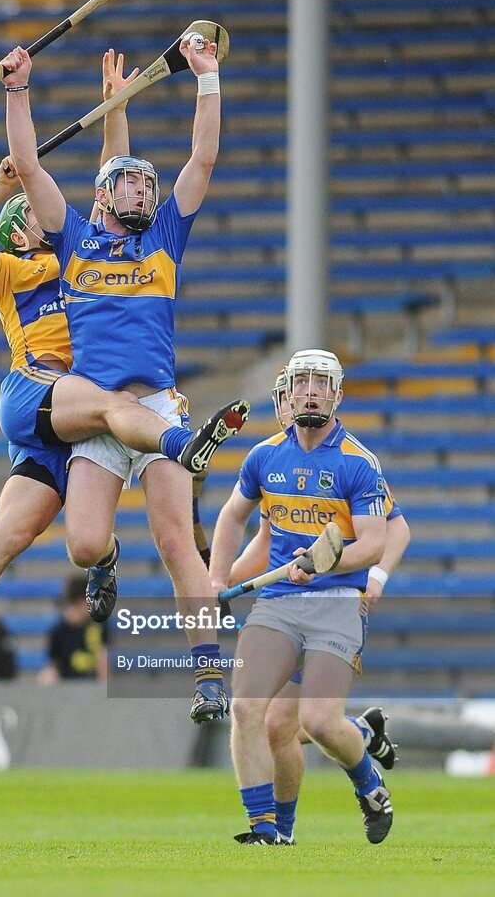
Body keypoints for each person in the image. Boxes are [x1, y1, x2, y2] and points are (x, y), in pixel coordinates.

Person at [0, 52, 245, 664]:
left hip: (84, 414)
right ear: (19, 230)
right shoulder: (18, 269)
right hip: (51, 397)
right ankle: (178, 449)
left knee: (27, 536)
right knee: (115, 408)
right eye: (33, 213)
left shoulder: (85, 252)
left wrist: (118, 104)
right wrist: (9, 165)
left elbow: (116, 180)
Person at [0, 35, 249, 723]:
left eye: (149, 182)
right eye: (133, 180)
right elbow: (25, 164)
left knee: (175, 543)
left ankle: (207, 679)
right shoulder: (74, 239)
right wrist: (18, 88)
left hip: (160, 407)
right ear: (105, 190)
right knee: (82, 545)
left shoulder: (165, 237)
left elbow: (203, 157)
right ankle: (107, 561)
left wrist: (208, 78)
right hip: (100, 416)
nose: (146, 188)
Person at [209, 349, 396, 845]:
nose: (309, 391)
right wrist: (214, 579)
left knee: (316, 720)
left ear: (336, 396)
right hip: (278, 606)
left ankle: (367, 782)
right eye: (301, 384)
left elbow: (375, 542)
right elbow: (232, 518)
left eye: (320, 384)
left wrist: (325, 563)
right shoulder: (265, 456)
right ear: (287, 394)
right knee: (252, 712)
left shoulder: (358, 463)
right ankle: (269, 830)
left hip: (337, 601)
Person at [37, 575, 107, 685]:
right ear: (81, 602)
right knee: (46, 677)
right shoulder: (59, 631)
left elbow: (102, 661)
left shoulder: (98, 625)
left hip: (92, 686)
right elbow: (53, 665)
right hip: (66, 687)